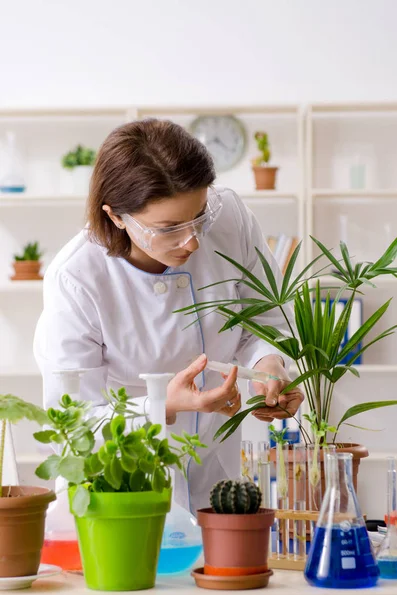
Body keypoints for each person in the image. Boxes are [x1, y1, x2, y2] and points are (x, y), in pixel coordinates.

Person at [34, 119, 303, 513]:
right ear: (116, 217)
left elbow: (265, 315)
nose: (192, 240)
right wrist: (162, 406)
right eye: (169, 228)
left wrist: (269, 363)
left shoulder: (231, 218)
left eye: (199, 216)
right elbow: (73, 428)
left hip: (218, 476)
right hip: (124, 492)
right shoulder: (76, 279)